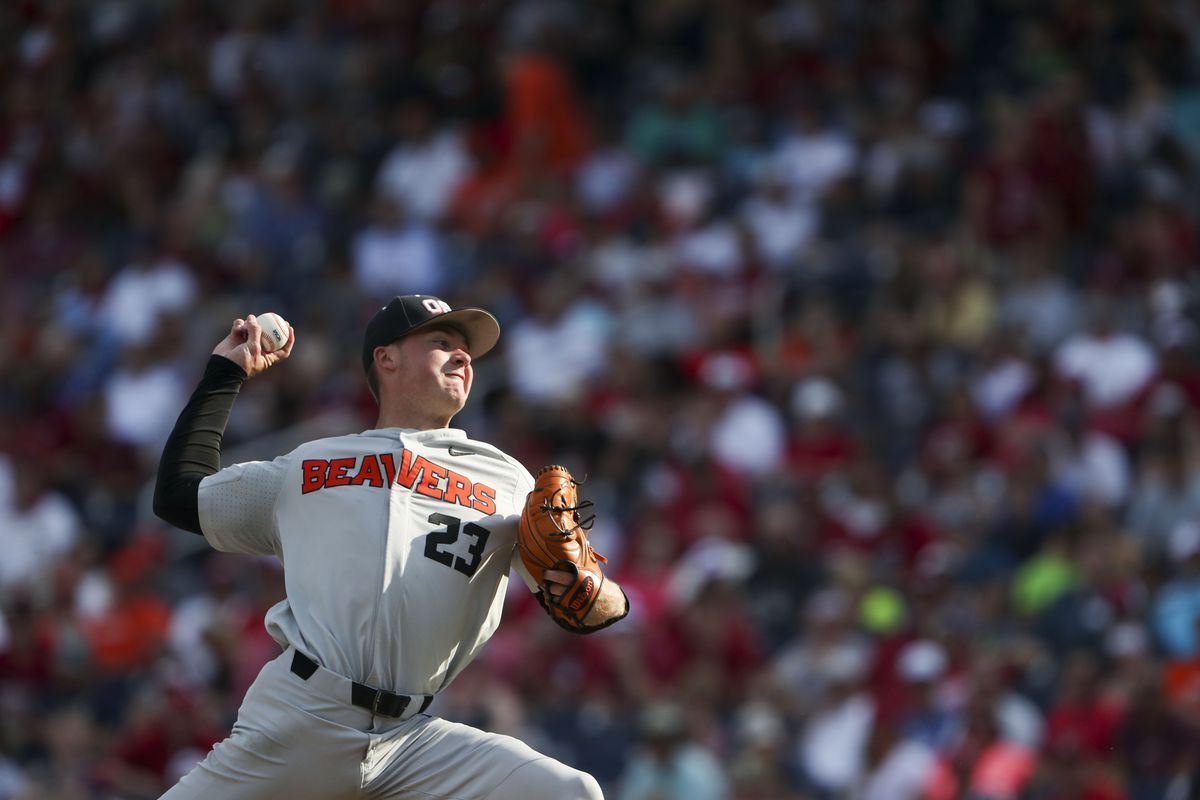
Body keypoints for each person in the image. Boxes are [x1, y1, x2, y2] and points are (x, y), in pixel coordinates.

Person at [152, 295, 629, 799]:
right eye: (442, 342)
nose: (463, 356)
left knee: (570, 791)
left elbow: (593, 605)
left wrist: (591, 590)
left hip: (411, 743)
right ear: (387, 358)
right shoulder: (310, 464)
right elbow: (179, 495)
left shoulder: (507, 479)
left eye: (466, 350)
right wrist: (225, 373)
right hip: (299, 720)